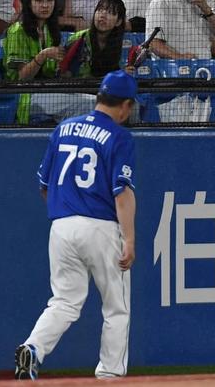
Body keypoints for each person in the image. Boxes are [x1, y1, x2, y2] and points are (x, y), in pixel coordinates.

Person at [14, 69, 137, 380]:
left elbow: (44, 185)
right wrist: (129, 240)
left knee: (65, 301)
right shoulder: (119, 136)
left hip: (62, 226)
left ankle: (33, 348)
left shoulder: (64, 128)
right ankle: (110, 374)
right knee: (116, 307)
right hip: (100, 226)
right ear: (124, 105)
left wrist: (68, 212)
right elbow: (122, 192)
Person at [3, 0, 64, 124]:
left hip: (50, 92)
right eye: (39, 0)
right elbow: (23, 78)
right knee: (87, 104)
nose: (45, 5)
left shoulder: (51, 30)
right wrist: (43, 55)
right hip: (23, 96)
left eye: (50, 0)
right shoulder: (17, 31)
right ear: (29, 3)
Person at [61, 0, 127, 77]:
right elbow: (64, 71)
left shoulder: (118, 44)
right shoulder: (78, 39)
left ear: (118, 21)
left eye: (110, 12)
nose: (103, 15)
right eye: (100, 10)